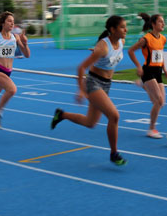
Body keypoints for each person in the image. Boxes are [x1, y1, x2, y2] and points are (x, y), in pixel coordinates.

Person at [50, 15, 128, 166]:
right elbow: (81, 68)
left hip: (106, 84)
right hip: (93, 83)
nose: (126, 29)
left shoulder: (121, 42)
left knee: (90, 122)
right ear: (112, 29)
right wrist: (81, 90)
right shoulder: (103, 47)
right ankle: (114, 153)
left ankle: (62, 115)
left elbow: (108, 55)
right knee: (114, 116)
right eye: (122, 27)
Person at [127, 13, 167, 139]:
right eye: (160, 21)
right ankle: (151, 129)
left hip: (158, 71)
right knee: (158, 100)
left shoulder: (163, 38)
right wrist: (139, 66)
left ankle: (143, 85)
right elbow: (130, 51)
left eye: (163, 21)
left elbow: (160, 54)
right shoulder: (146, 39)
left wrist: (165, 68)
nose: (163, 24)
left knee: (161, 103)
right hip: (148, 71)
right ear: (153, 24)